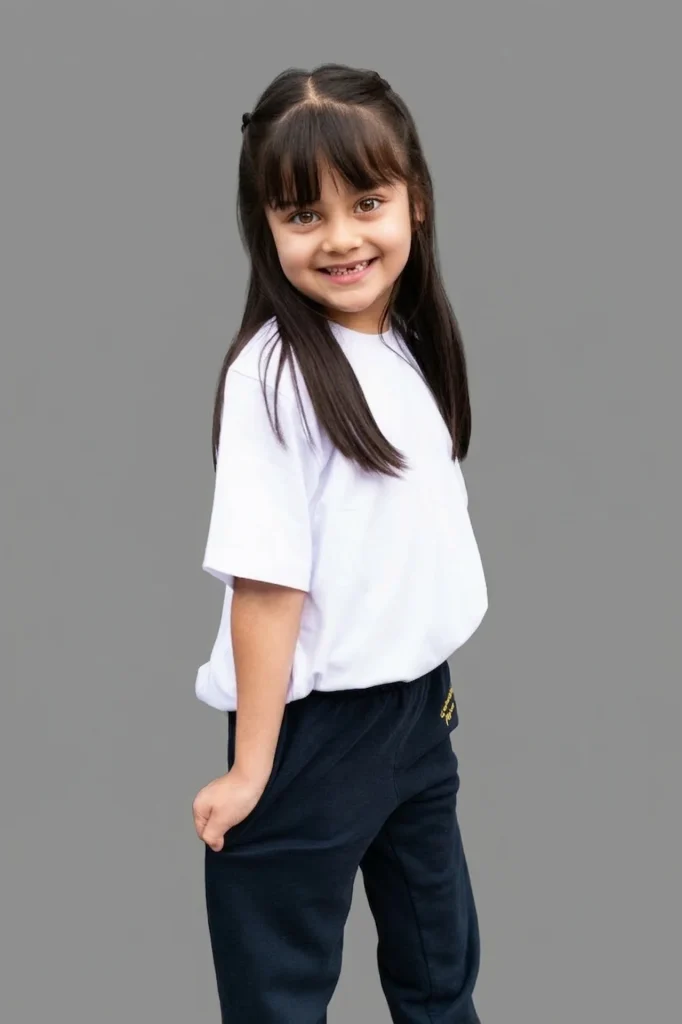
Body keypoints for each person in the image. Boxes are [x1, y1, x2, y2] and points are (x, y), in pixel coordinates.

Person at [191, 62, 488, 1024]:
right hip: (311, 734)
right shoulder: (274, 378)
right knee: (279, 989)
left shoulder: (405, 341)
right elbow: (266, 587)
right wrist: (253, 770)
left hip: (418, 712)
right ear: (265, 228)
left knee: (440, 969)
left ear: (416, 201)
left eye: (367, 202)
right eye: (302, 214)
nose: (342, 237)